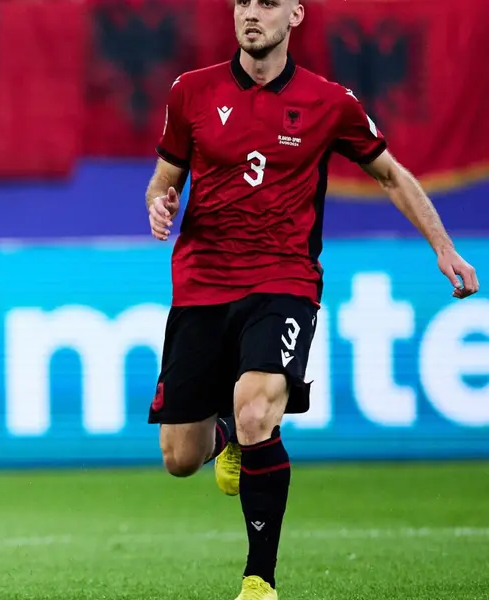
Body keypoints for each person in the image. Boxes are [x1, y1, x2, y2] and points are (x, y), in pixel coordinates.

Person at [144, 1, 479, 599]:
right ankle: (223, 434)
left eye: (268, 3)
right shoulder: (190, 92)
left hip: (284, 277)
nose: (252, 13)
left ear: (295, 14)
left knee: (257, 409)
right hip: (202, 281)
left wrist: (444, 248)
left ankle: (259, 580)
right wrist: (158, 203)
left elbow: (390, 174)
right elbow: (165, 176)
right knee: (178, 457)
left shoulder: (331, 102)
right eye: (243, 2)